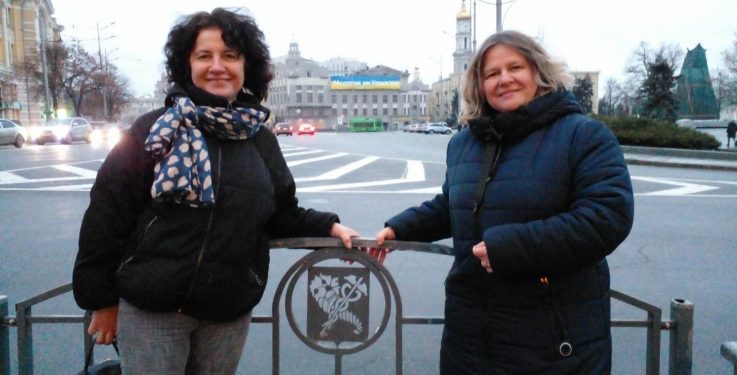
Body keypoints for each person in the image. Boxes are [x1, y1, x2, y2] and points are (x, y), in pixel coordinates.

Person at [72, 8, 358, 374]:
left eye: (230, 56)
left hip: (226, 312)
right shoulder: (154, 129)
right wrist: (101, 301)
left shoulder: (260, 140)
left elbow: (281, 213)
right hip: (152, 311)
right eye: (204, 56)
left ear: (246, 67)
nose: (218, 66)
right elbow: (107, 215)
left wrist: (329, 227)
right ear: (186, 65)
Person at [376, 30, 634, 374]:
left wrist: (510, 248)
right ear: (479, 84)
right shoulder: (466, 143)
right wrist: (399, 228)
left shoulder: (583, 135)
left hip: (551, 342)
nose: (505, 79)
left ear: (538, 72)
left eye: (515, 67)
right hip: (469, 339)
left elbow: (607, 217)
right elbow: (454, 205)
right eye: (492, 73)